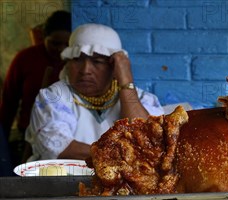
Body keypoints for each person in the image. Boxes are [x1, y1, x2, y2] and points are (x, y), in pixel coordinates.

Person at [25, 24, 163, 160]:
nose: (85, 70)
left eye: (97, 62)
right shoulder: (53, 97)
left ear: (114, 67)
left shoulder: (144, 99)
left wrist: (126, 82)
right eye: (77, 60)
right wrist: (120, 157)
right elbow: (58, 147)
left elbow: (148, 143)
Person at [0, 10, 71, 166]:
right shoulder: (25, 59)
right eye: (54, 43)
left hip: (65, 142)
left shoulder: (75, 64)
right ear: (43, 37)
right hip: (26, 137)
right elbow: (9, 102)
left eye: (66, 44)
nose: (61, 49)